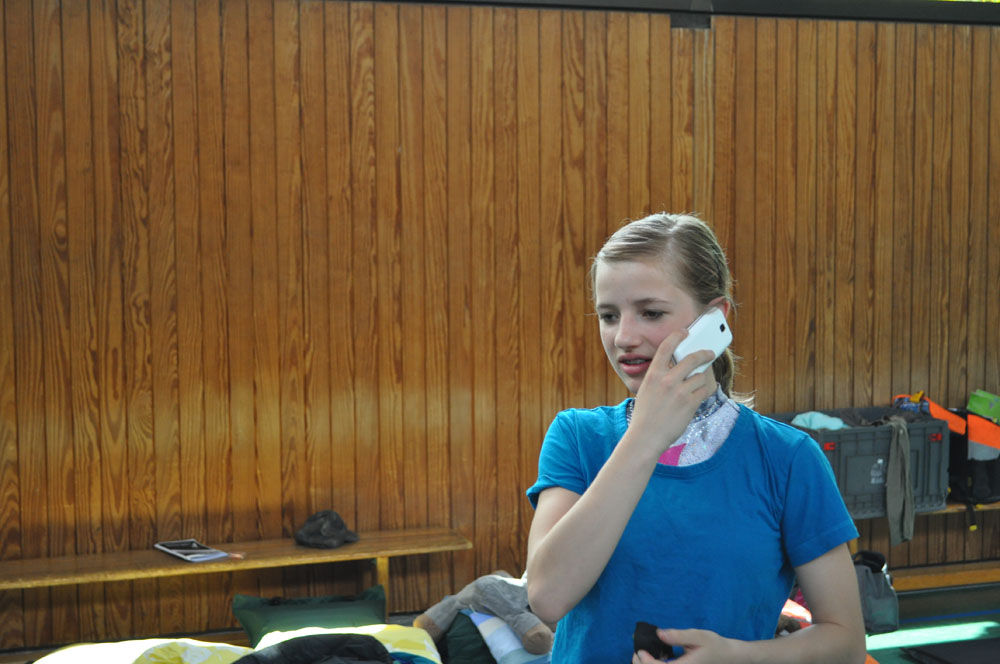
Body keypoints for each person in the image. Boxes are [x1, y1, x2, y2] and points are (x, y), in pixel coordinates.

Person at [525, 213, 866, 663]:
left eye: (650, 313)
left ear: (715, 318)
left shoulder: (787, 458)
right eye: (609, 315)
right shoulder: (577, 436)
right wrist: (646, 437)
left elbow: (846, 644)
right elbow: (546, 597)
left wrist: (736, 657)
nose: (623, 336)